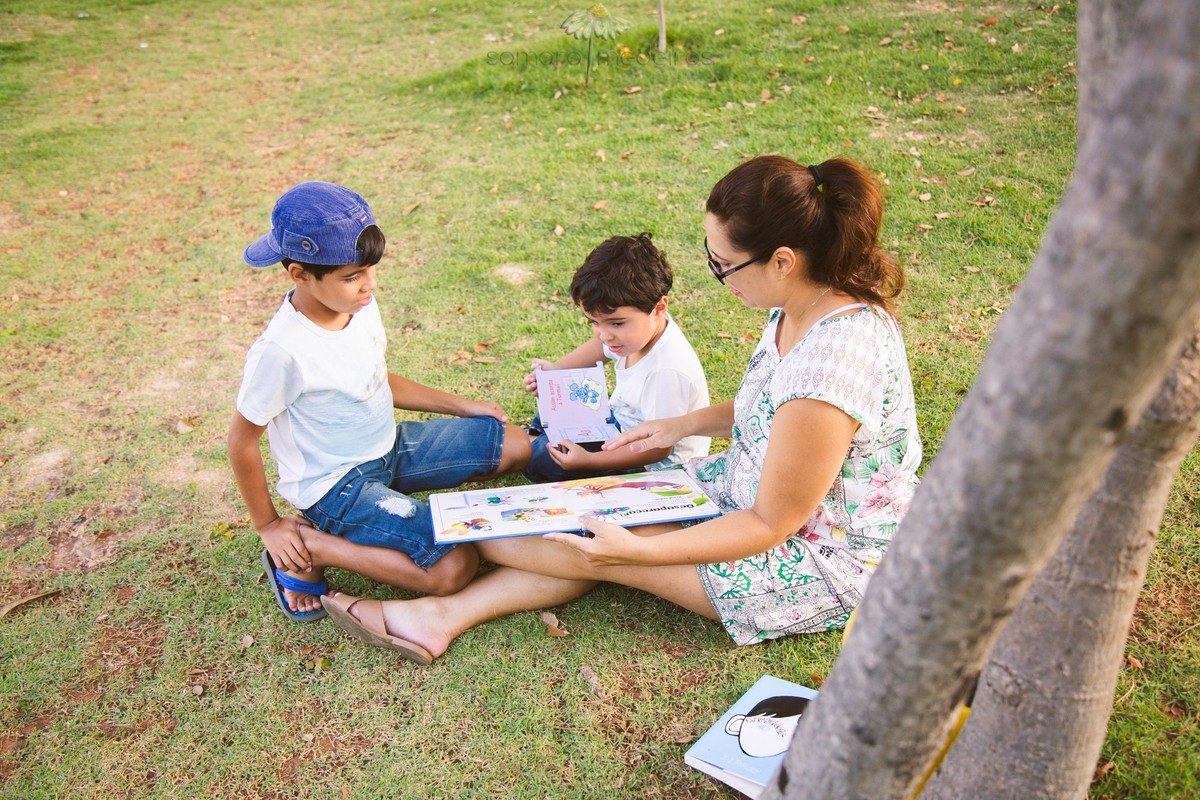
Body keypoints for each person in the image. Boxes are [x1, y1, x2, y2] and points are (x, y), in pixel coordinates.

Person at [319, 155, 922, 659]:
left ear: (783, 261)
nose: (715, 274)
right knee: (568, 514)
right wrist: (685, 424)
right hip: (733, 487)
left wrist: (638, 550)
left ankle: (426, 597)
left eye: (722, 263)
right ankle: (440, 616)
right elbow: (765, 410)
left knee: (574, 540)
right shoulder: (796, 306)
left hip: (820, 556)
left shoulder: (835, 362)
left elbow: (773, 522)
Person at [227, 181, 531, 622]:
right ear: (299, 274)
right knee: (454, 566)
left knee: (514, 442)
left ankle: (385, 501)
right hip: (335, 485)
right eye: (353, 276)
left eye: (371, 270)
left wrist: (462, 406)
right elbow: (241, 441)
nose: (369, 285)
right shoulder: (280, 352)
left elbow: (373, 378)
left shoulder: (359, 304)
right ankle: (315, 545)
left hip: (389, 450)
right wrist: (269, 525)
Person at [523, 232, 710, 482]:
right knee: (564, 398)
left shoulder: (667, 371)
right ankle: (538, 438)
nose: (604, 335)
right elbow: (600, 349)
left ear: (659, 307)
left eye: (616, 323)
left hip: (650, 464)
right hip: (621, 422)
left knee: (544, 463)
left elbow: (658, 447)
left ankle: (534, 444)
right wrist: (557, 371)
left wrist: (589, 461)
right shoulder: (640, 329)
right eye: (594, 323)